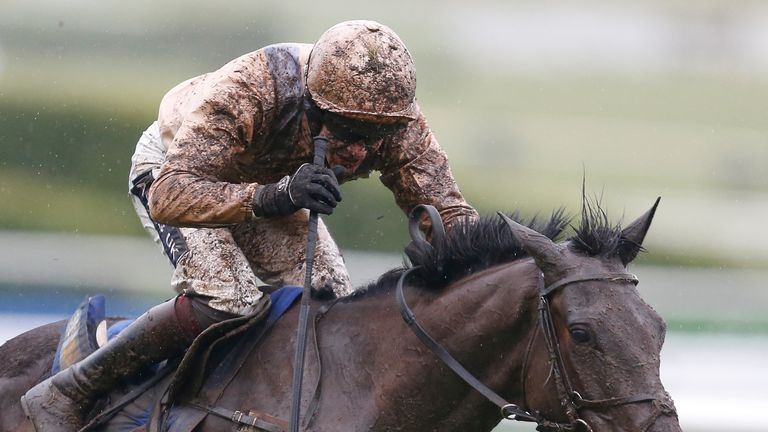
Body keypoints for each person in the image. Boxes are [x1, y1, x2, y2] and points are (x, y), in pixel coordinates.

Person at [20, 20, 478, 431]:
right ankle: (71, 388)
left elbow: (449, 213)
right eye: (345, 131)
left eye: (373, 137)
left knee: (330, 305)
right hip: (179, 171)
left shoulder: (398, 120)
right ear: (311, 105)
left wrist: (496, 259)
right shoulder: (253, 88)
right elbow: (172, 193)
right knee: (230, 299)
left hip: (270, 186)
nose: (358, 152)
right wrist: (275, 196)